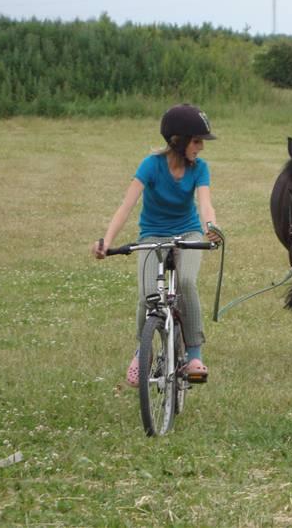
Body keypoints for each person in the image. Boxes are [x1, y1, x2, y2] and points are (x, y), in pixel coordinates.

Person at [92, 103, 220, 386]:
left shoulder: (200, 169)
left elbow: (205, 203)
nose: (201, 147)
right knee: (148, 294)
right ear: (179, 140)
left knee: (185, 282)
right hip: (152, 235)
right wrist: (107, 241)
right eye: (197, 141)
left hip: (188, 234)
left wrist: (211, 228)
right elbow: (127, 205)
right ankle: (143, 352)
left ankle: (194, 355)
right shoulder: (150, 165)